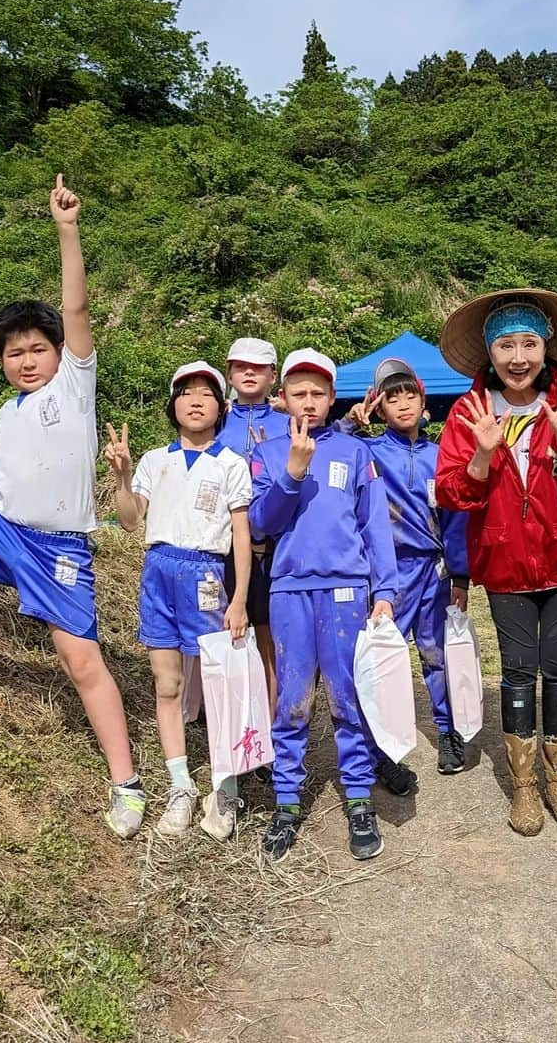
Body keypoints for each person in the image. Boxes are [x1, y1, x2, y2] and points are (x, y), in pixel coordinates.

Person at [0, 176, 145, 837]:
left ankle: (127, 785)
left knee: (82, 664)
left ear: (57, 354)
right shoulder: (9, 411)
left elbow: (75, 312)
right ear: (2, 361)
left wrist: (67, 230)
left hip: (57, 551)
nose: (26, 359)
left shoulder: (72, 390)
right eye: (13, 352)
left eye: (36, 348)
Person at [436, 289, 557, 836]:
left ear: (545, 348)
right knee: (517, 672)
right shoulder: (470, 413)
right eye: (506, 345)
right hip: (504, 564)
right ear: (489, 354)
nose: (518, 357)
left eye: (529, 343)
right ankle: (524, 788)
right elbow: (452, 493)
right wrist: (485, 453)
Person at [250, 348, 398, 863]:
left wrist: (385, 591)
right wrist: (292, 470)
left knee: (346, 697)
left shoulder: (355, 453)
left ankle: (358, 798)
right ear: (281, 397)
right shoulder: (267, 451)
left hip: (347, 591)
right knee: (292, 702)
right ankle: (287, 802)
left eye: (318, 393)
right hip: (289, 590)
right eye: (298, 393)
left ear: (333, 398)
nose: (308, 403)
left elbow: (374, 526)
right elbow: (260, 524)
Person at [105, 361, 252, 840]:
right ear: (173, 405)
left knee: (216, 685)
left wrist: (240, 600)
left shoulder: (230, 463)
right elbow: (130, 520)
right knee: (166, 684)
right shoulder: (154, 460)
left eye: (206, 394)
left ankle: (224, 788)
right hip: (158, 571)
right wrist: (124, 478)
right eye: (185, 393)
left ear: (220, 408)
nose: (195, 400)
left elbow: (242, 538)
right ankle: (180, 788)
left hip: (206, 575)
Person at [342, 357, 471, 784]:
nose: (401, 403)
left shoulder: (442, 456)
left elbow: (455, 519)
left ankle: (449, 731)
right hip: (385, 573)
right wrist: (349, 425)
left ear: (423, 402)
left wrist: (460, 575)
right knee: (382, 659)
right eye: (390, 397)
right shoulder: (368, 450)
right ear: (378, 408)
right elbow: (330, 451)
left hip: (432, 570)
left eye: (408, 394)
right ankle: (381, 751)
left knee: (436, 654)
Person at [217, 337, 288, 719]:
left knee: (269, 642)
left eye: (258, 367)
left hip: (275, 549)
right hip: (224, 547)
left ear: (272, 376)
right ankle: (231, 726)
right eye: (240, 366)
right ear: (228, 374)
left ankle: (273, 731)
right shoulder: (216, 419)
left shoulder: (288, 422)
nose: (248, 372)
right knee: (226, 637)